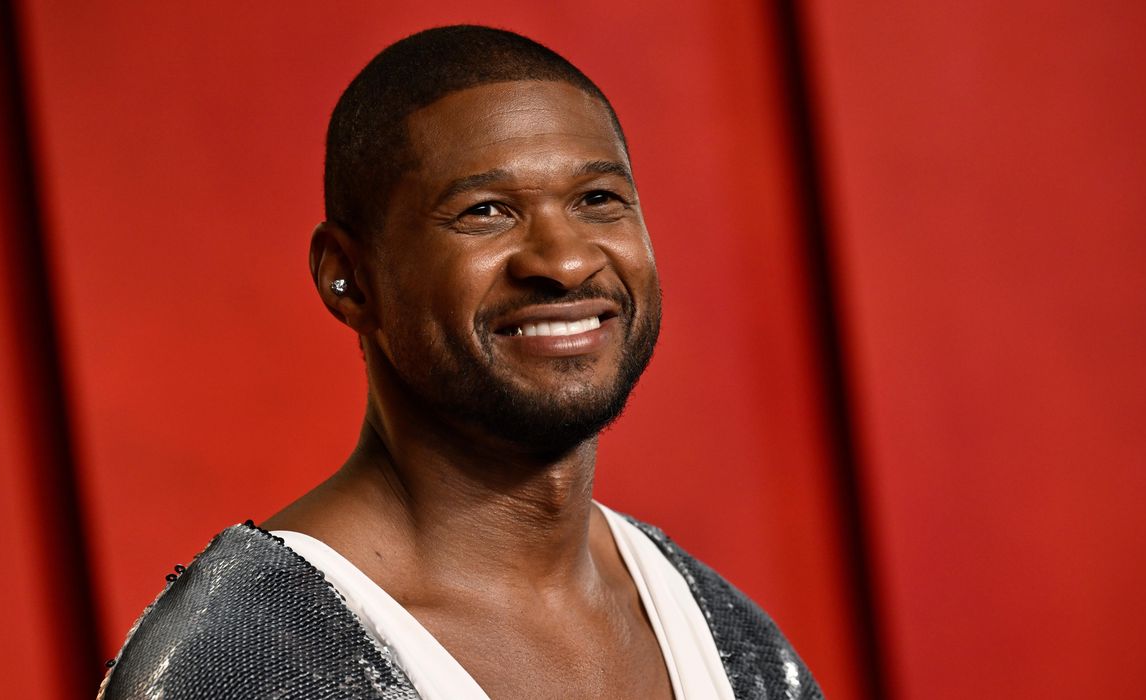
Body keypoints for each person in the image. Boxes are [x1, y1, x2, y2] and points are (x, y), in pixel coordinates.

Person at [99, 25, 823, 700]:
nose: (565, 261)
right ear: (348, 277)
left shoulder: (726, 637)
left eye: (598, 199)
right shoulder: (242, 662)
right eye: (485, 211)